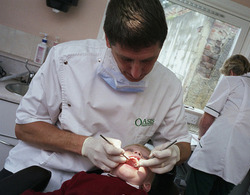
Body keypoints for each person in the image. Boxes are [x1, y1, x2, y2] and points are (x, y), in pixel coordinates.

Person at [0, 0, 191, 192]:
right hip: (36, 171)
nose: (135, 72)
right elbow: (25, 128)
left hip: (100, 185)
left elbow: (181, 142)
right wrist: (85, 145)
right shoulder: (66, 59)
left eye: (148, 60)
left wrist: (175, 153)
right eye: (126, 59)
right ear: (108, 40)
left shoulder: (168, 85)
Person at [185, 54, 250, 195]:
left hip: (212, 155)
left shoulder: (231, 81)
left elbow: (206, 120)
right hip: (238, 164)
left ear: (231, 72)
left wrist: (202, 139)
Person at [22, 144, 155, 195]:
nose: (136, 154)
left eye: (144, 158)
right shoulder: (83, 177)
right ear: (110, 164)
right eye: (130, 150)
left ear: (146, 186)